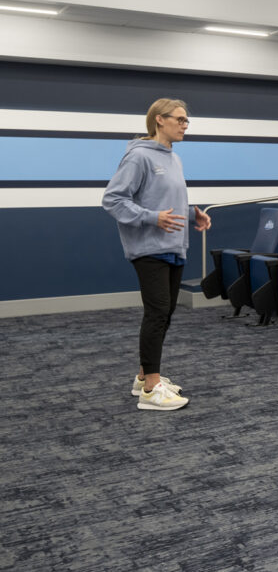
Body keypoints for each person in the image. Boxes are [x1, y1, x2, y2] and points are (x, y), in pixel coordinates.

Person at [102, 98, 211, 411]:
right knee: (157, 311)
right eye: (179, 119)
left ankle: (143, 376)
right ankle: (151, 388)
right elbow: (113, 200)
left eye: (186, 120)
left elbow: (166, 198)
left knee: (166, 313)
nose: (185, 125)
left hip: (174, 245)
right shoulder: (139, 157)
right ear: (159, 120)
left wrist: (192, 215)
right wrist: (152, 218)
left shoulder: (172, 158)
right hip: (149, 248)